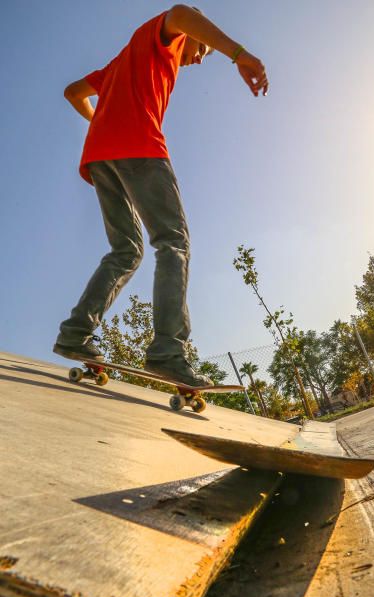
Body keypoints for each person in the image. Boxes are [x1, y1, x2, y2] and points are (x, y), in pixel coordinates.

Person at [54, 4, 269, 386]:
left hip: (101, 157)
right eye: (202, 50)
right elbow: (183, 11)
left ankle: (75, 333)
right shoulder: (162, 39)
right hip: (140, 149)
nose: (200, 60)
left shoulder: (118, 65)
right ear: (189, 38)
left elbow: (73, 92)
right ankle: (168, 352)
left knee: (126, 251)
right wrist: (240, 54)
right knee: (173, 242)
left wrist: (103, 122)